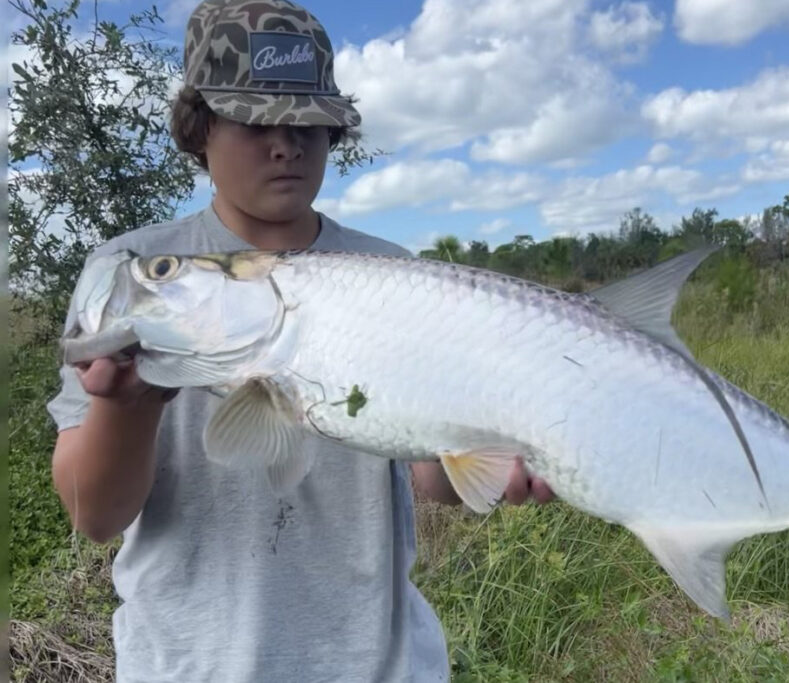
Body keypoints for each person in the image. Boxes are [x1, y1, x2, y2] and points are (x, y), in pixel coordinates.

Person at [46, 1, 553, 680]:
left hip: (382, 663)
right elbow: (95, 514)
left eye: (306, 121)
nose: (284, 143)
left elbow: (433, 476)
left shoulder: (393, 275)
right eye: (254, 119)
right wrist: (126, 405)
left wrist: (498, 447)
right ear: (198, 128)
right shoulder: (133, 272)